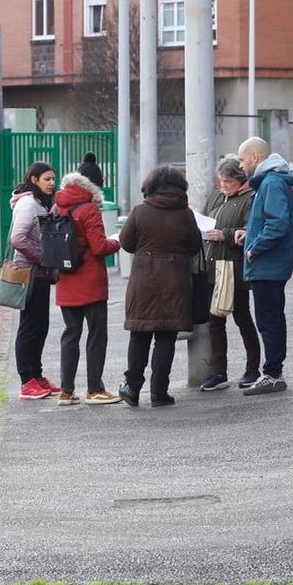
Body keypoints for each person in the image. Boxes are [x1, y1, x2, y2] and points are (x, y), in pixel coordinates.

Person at [117, 165, 204, 407]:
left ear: (151, 186)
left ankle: (132, 388)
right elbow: (195, 246)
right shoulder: (185, 214)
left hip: (143, 282)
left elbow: (126, 243)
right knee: (166, 337)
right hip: (175, 282)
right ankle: (159, 393)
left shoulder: (139, 212)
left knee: (139, 336)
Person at [53, 167, 121, 405]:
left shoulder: (57, 206)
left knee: (70, 335)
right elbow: (99, 247)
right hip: (90, 282)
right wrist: (116, 242)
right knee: (96, 336)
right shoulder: (89, 208)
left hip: (65, 280)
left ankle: (66, 391)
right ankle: (94, 389)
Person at [239, 137, 293, 395]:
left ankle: (273, 373)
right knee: (271, 318)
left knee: (269, 320)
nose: (240, 166)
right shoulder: (269, 182)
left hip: (267, 264)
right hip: (268, 264)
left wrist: (255, 248)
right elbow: (268, 221)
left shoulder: (272, 183)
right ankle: (273, 371)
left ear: (255, 157)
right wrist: (247, 234)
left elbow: (277, 223)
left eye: (242, 160)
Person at [200, 157, 261, 392]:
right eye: (221, 181)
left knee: (242, 317)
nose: (223, 185)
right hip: (212, 265)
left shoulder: (249, 198)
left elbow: (250, 229)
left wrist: (225, 234)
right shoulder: (216, 196)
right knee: (215, 320)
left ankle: (253, 368)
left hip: (233, 268)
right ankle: (219, 372)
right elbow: (205, 219)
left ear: (240, 180)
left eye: (228, 181)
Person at [6, 161, 61, 399]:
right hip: (29, 272)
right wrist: (43, 257)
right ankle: (26, 381)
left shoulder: (41, 202)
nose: (52, 183)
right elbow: (17, 238)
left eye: (53, 179)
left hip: (40, 273)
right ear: (34, 180)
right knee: (29, 327)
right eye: (47, 179)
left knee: (41, 326)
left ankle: (37, 376)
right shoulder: (28, 203)